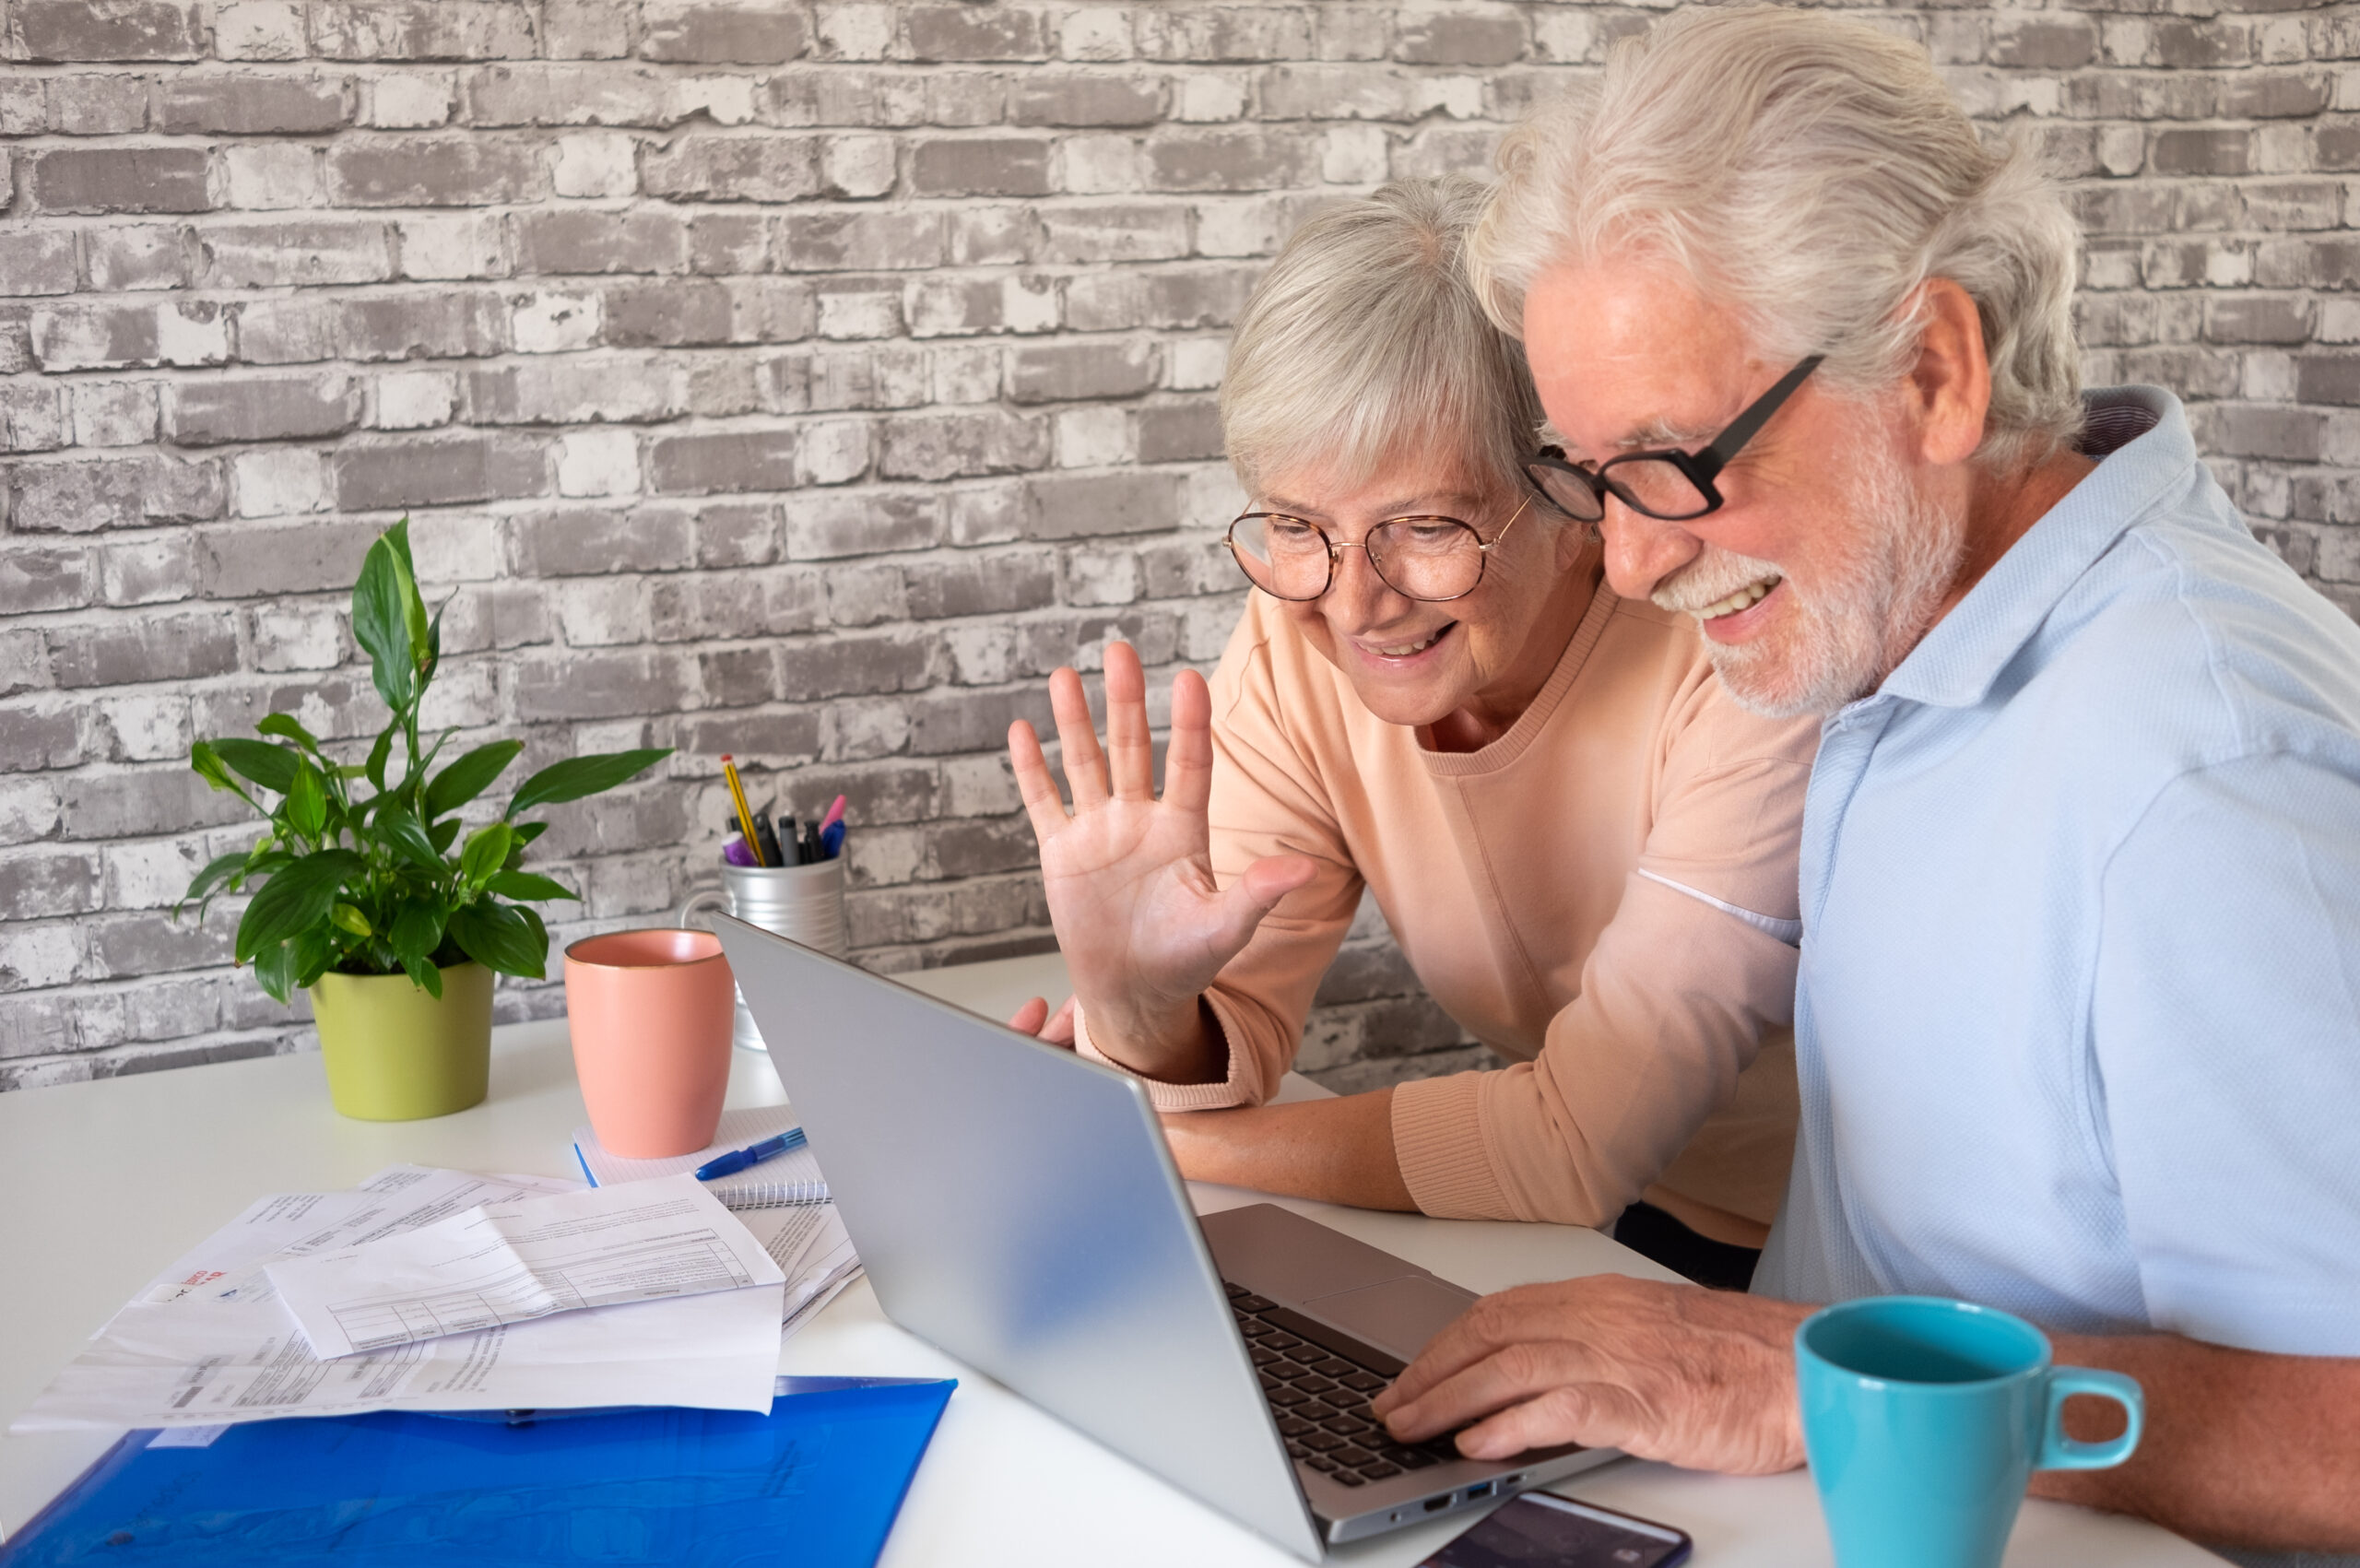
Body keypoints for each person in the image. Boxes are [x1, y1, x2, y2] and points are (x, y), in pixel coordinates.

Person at [1367, 9, 2360, 1562]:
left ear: (1937, 372)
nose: (1628, 559)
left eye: (1675, 464)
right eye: (1588, 477)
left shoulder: (2209, 780)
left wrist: (1810, 1382)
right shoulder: (1904, 617)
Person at [1003, 175, 1823, 1289]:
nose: (1352, 606)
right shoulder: (1298, 636)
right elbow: (1225, 1032)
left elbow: (1575, 1143)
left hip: (1820, 1265)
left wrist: (1165, 1137)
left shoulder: (1728, 650)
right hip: (1575, 1233)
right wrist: (1144, 1015)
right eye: (1299, 526)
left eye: (1426, 528)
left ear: (1571, 497)